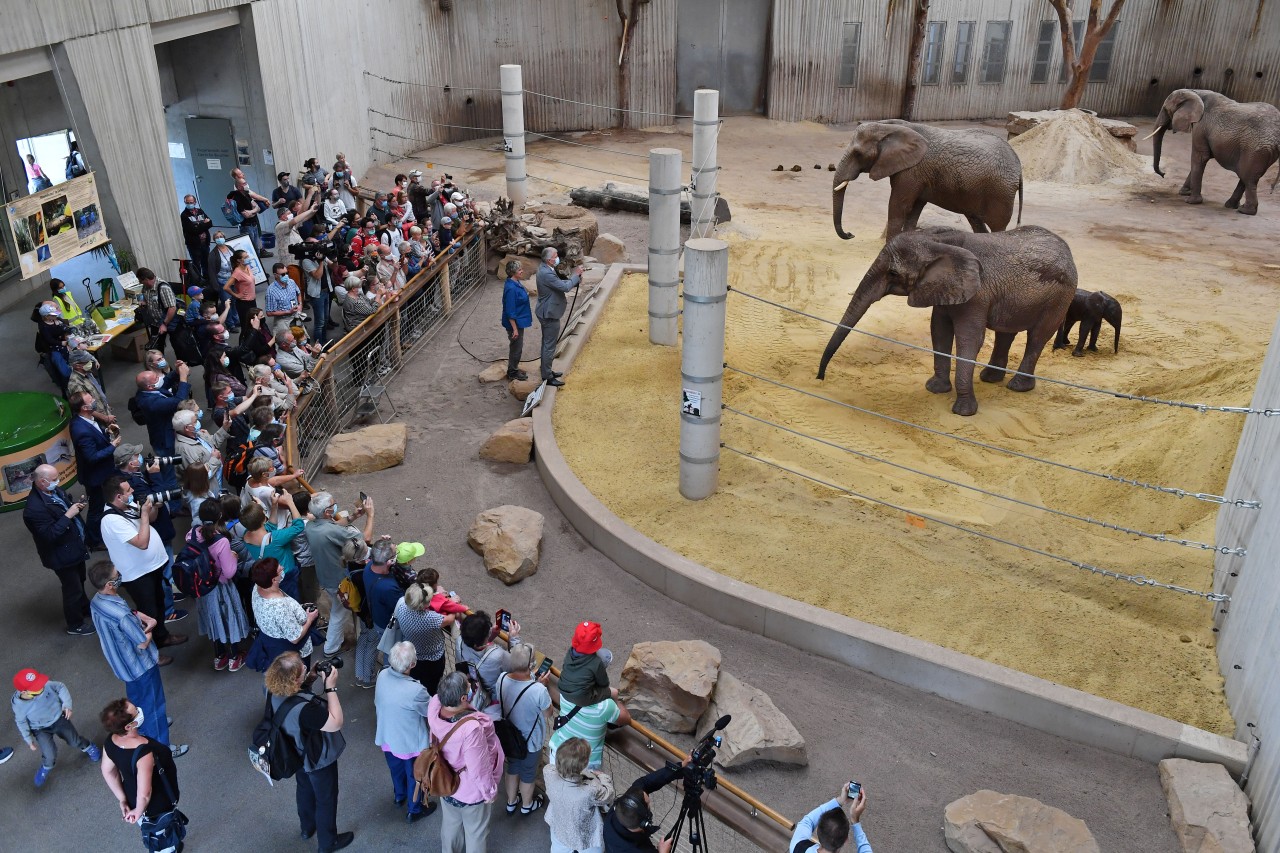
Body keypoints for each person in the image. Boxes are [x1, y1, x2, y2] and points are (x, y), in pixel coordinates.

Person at [88, 562, 189, 757]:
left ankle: (142, 725)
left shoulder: (97, 601)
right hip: (140, 665)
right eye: (117, 575)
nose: (120, 576)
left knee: (136, 700)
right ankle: (162, 746)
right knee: (154, 704)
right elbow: (142, 642)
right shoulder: (121, 615)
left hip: (122, 664)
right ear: (109, 584)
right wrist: (151, 625)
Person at [265, 652, 354, 852]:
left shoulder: (274, 690)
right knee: (326, 798)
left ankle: (307, 827)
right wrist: (331, 687)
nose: (306, 668)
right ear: (295, 680)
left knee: (304, 788)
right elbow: (335, 722)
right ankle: (327, 842)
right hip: (316, 758)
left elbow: (293, 697)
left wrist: (311, 678)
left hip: (295, 751)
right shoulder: (307, 711)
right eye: (303, 669)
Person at [99, 476, 187, 648]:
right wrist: (145, 514)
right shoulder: (111, 520)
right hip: (138, 575)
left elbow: (151, 519)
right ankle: (151, 652)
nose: (132, 491)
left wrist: (154, 508)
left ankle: (162, 637)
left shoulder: (126, 506)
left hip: (150, 569)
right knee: (149, 613)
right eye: (128, 490)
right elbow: (142, 542)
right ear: (118, 497)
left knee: (159, 604)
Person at [427, 671, 504, 853]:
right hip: (469, 790)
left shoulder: (435, 706)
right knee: (475, 833)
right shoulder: (471, 728)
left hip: (444, 780)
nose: (471, 690)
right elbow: (479, 769)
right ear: (463, 698)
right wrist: (489, 792)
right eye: (469, 689)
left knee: (451, 825)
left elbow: (438, 696)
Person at [99, 698, 188, 853]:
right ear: (128, 726)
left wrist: (123, 800)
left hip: (132, 798)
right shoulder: (144, 753)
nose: (140, 711)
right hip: (156, 804)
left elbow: (108, 771)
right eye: (136, 712)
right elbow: (145, 794)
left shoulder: (110, 742)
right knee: (162, 836)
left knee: (150, 829)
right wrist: (138, 811)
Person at [23, 464, 95, 635]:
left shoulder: (54, 491)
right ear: (42, 482)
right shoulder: (33, 510)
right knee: (72, 590)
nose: (58, 482)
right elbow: (49, 535)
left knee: (80, 580)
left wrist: (76, 507)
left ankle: (85, 608)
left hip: (74, 547)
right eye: (54, 479)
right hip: (61, 555)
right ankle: (75, 625)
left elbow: (64, 507)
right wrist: (68, 515)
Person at [374, 641, 437, 824]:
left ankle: (399, 796)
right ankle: (414, 809)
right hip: (410, 743)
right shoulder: (416, 690)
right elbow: (430, 711)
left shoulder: (383, 674)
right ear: (412, 665)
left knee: (396, 771)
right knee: (415, 777)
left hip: (387, 737)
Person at [305, 492, 374, 658]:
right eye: (332, 505)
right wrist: (370, 515)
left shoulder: (311, 525)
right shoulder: (328, 530)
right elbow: (365, 538)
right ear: (328, 512)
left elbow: (335, 525)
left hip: (326, 576)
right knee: (339, 612)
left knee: (339, 609)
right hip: (339, 580)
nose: (335, 506)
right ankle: (331, 648)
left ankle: (335, 643)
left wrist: (354, 516)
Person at [186, 501, 252, 672]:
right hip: (221, 587)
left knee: (213, 618)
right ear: (220, 516)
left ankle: (220, 656)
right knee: (228, 618)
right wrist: (234, 556)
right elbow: (229, 572)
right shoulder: (221, 540)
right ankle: (235, 656)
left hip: (202, 586)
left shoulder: (192, 534)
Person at [11, 667, 100, 787]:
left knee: (74, 741)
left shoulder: (45, 685)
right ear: (24, 692)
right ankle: (46, 766)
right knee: (49, 754)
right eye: (36, 688)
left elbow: (60, 687)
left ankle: (88, 746)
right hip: (40, 729)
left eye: (39, 683)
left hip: (58, 719)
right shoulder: (19, 706)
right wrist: (28, 739)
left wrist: (67, 705)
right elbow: (20, 722)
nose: (41, 687)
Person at [496, 643, 553, 816]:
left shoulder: (502, 678)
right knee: (528, 773)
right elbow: (548, 713)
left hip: (509, 737)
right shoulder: (538, 690)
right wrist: (540, 686)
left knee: (512, 767)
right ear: (531, 664)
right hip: (531, 741)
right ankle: (527, 804)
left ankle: (511, 802)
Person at [543, 736, 614, 853]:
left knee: (558, 849)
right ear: (584, 764)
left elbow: (554, 768)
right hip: (583, 833)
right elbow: (608, 795)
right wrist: (601, 776)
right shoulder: (591, 789)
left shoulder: (548, 772)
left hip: (559, 826)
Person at [602, 759, 689, 853]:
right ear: (645, 822)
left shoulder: (619, 809)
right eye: (649, 804)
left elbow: (644, 783)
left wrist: (679, 766)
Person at [69, 390, 120, 548]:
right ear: (84, 407)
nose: (94, 401)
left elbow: (94, 437)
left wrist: (106, 432)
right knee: (97, 509)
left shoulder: (86, 419)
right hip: (96, 477)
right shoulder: (81, 430)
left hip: (103, 472)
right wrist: (112, 446)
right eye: (90, 400)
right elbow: (91, 457)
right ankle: (94, 540)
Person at [248, 558, 318, 667]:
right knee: (300, 680)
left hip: (272, 646)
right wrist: (310, 618)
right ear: (274, 579)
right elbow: (295, 638)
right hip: (294, 653)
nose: (282, 567)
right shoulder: (280, 606)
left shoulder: (257, 587)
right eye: (279, 570)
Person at [393, 582, 457, 695]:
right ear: (425, 605)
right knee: (431, 686)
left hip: (413, 654)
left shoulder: (402, 605)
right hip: (432, 659)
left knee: (415, 682)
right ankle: (429, 705)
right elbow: (450, 619)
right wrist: (452, 603)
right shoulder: (429, 618)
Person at [547, 687, 631, 772]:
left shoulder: (565, 689)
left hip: (557, 753)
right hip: (586, 765)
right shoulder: (604, 706)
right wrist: (617, 698)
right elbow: (626, 719)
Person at [456, 611, 522, 718]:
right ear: (485, 636)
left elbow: (476, 646)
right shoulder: (497, 656)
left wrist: (491, 633)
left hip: (471, 691)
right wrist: (513, 639)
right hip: (492, 702)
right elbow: (517, 664)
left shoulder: (459, 641)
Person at [242, 495, 307, 599]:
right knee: (293, 599)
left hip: (270, 576)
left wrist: (274, 504)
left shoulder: (246, 535)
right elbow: (299, 526)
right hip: (286, 575)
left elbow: (270, 526)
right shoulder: (276, 538)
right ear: (263, 520)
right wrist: (290, 502)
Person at [535, 246, 583, 386]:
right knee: (549, 346)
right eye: (555, 255)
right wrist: (575, 276)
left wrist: (574, 281)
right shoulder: (546, 273)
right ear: (549, 260)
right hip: (549, 313)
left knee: (547, 344)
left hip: (546, 310)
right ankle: (547, 376)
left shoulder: (546, 268)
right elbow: (564, 287)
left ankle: (546, 370)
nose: (557, 257)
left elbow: (559, 284)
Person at [790, 787, 873, 853]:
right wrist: (855, 820)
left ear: (818, 831)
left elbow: (807, 821)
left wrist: (840, 800)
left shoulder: (798, 846)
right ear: (846, 840)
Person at [134, 363, 192, 455]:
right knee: (169, 466)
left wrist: (176, 372)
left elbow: (164, 383)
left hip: (166, 431)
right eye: (156, 378)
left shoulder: (147, 389)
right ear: (149, 386)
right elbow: (179, 401)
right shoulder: (150, 403)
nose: (159, 378)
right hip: (165, 442)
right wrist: (183, 377)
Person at [559, 620, 617, 706]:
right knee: (614, 692)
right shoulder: (596, 662)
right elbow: (604, 683)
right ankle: (615, 713)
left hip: (563, 690)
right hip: (581, 699)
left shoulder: (570, 652)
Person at [501, 260, 532, 381]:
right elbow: (510, 311)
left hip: (519, 320)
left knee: (517, 347)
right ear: (513, 273)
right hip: (515, 323)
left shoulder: (515, 282)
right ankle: (512, 372)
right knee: (516, 348)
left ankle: (514, 368)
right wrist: (514, 329)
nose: (522, 271)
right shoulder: (511, 288)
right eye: (519, 270)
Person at [137, 269, 179, 357]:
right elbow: (145, 297)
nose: (142, 284)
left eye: (142, 282)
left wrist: (164, 324)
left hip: (167, 321)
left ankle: (182, 366)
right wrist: (143, 301)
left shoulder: (163, 287)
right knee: (156, 349)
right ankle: (161, 368)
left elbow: (172, 308)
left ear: (146, 279)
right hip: (155, 322)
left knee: (177, 345)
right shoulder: (146, 287)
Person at [66, 349, 114, 424]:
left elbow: (97, 392)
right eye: (87, 362)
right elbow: (84, 408)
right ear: (78, 366)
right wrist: (105, 418)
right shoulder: (76, 384)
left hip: (105, 412)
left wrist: (105, 406)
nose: (90, 363)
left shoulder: (87, 373)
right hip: (98, 420)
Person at [227, 177, 271, 257]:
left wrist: (252, 212)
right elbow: (246, 215)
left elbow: (257, 207)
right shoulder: (237, 198)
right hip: (246, 227)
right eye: (244, 184)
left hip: (254, 225)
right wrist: (254, 211)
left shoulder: (247, 194)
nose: (246, 185)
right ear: (239, 187)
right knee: (250, 249)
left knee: (257, 248)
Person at [265, 262, 304, 339]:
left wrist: (300, 304)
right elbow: (269, 313)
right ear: (275, 275)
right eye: (283, 274)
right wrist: (288, 312)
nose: (286, 276)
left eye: (287, 273)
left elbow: (298, 293)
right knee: (287, 343)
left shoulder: (291, 282)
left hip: (296, 316)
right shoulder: (271, 291)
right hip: (283, 320)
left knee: (302, 339)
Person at [179, 195, 213, 283]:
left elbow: (210, 223)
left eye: (191, 202)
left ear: (195, 202)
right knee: (196, 264)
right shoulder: (184, 215)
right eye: (187, 202)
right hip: (194, 245)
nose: (189, 204)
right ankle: (198, 281)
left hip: (205, 243)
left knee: (206, 263)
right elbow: (193, 230)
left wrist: (198, 225)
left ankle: (207, 280)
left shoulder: (200, 211)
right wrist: (203, 224)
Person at [206, 232, 237, 327]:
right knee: (226, 303)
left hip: (234, 280)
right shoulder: (213, 254)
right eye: (217, 237)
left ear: (224, 237)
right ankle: (230, 324)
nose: (219, 238)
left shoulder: (230, 248)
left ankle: (236, 320)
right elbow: (211, 271)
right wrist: (215, 286)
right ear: (214, 240)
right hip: (223, 282)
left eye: (221, 237)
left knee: (235, 301)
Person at [226, 249, 259, 332]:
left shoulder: (247, 267)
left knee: (254, 324)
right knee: (246, 327)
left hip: (252, 301)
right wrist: (236, 295)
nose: (248, 258)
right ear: (239, 260)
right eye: (246, 257)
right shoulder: (237, 272)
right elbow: (226, 287)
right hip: (244, 303)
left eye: (247, 256)